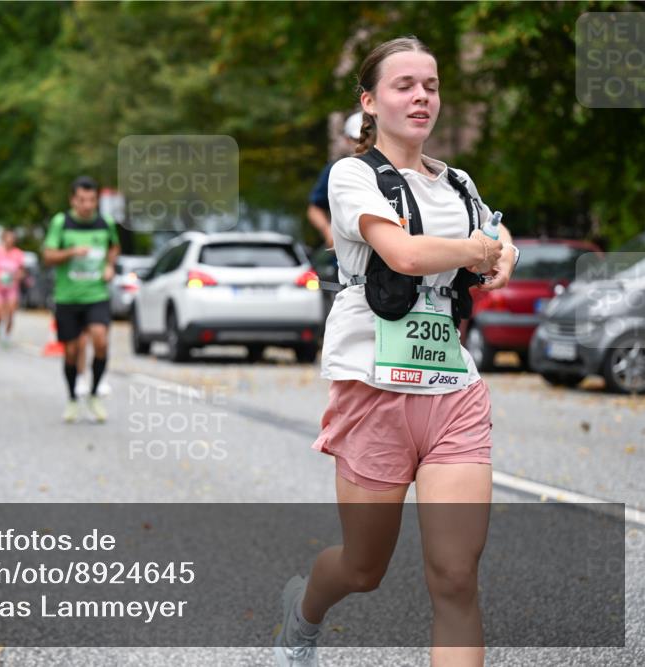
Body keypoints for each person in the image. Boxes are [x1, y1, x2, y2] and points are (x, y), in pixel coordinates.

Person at [274, 36, 519, 667]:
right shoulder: (352, 176)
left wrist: (504, 252)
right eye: (404, 85)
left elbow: (498, 234)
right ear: (370, 101)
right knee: (362, 568)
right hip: (373, 390)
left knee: (456, 577)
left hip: (452, 392)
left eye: (431, 86)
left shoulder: (457, 181)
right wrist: (476, 252)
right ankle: (303, 615)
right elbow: (404, 254)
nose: (420, 97)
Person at [41, 176, 120, 423]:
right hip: (68, 297)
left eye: (92, 200)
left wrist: (109, 266)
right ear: (72, 200)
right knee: (72, 352)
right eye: (82, 200)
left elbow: (114, 247)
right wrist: (71, 252)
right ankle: (73, 398)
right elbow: (48, 256)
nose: (87, 205)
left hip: (96, 294)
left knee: (100, 340)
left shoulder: (105, 222)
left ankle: (94, 393)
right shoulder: (61, 222)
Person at [306, 111, 363, 251]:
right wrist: (328, 231)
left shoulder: (391, 167)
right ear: (347, 140)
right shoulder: (336, 170)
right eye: (357, 139)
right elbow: (314, 209)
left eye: (367, 138)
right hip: (347, 253)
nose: (362, 144)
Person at [0, 229, 25, 345]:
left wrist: (18, 276)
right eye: (7, 238)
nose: (10, 241)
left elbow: (22, 271)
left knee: (10, 313)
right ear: (4, 239)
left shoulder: (18, 253)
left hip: (12, 288)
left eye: (12, 238)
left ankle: (7, 336)